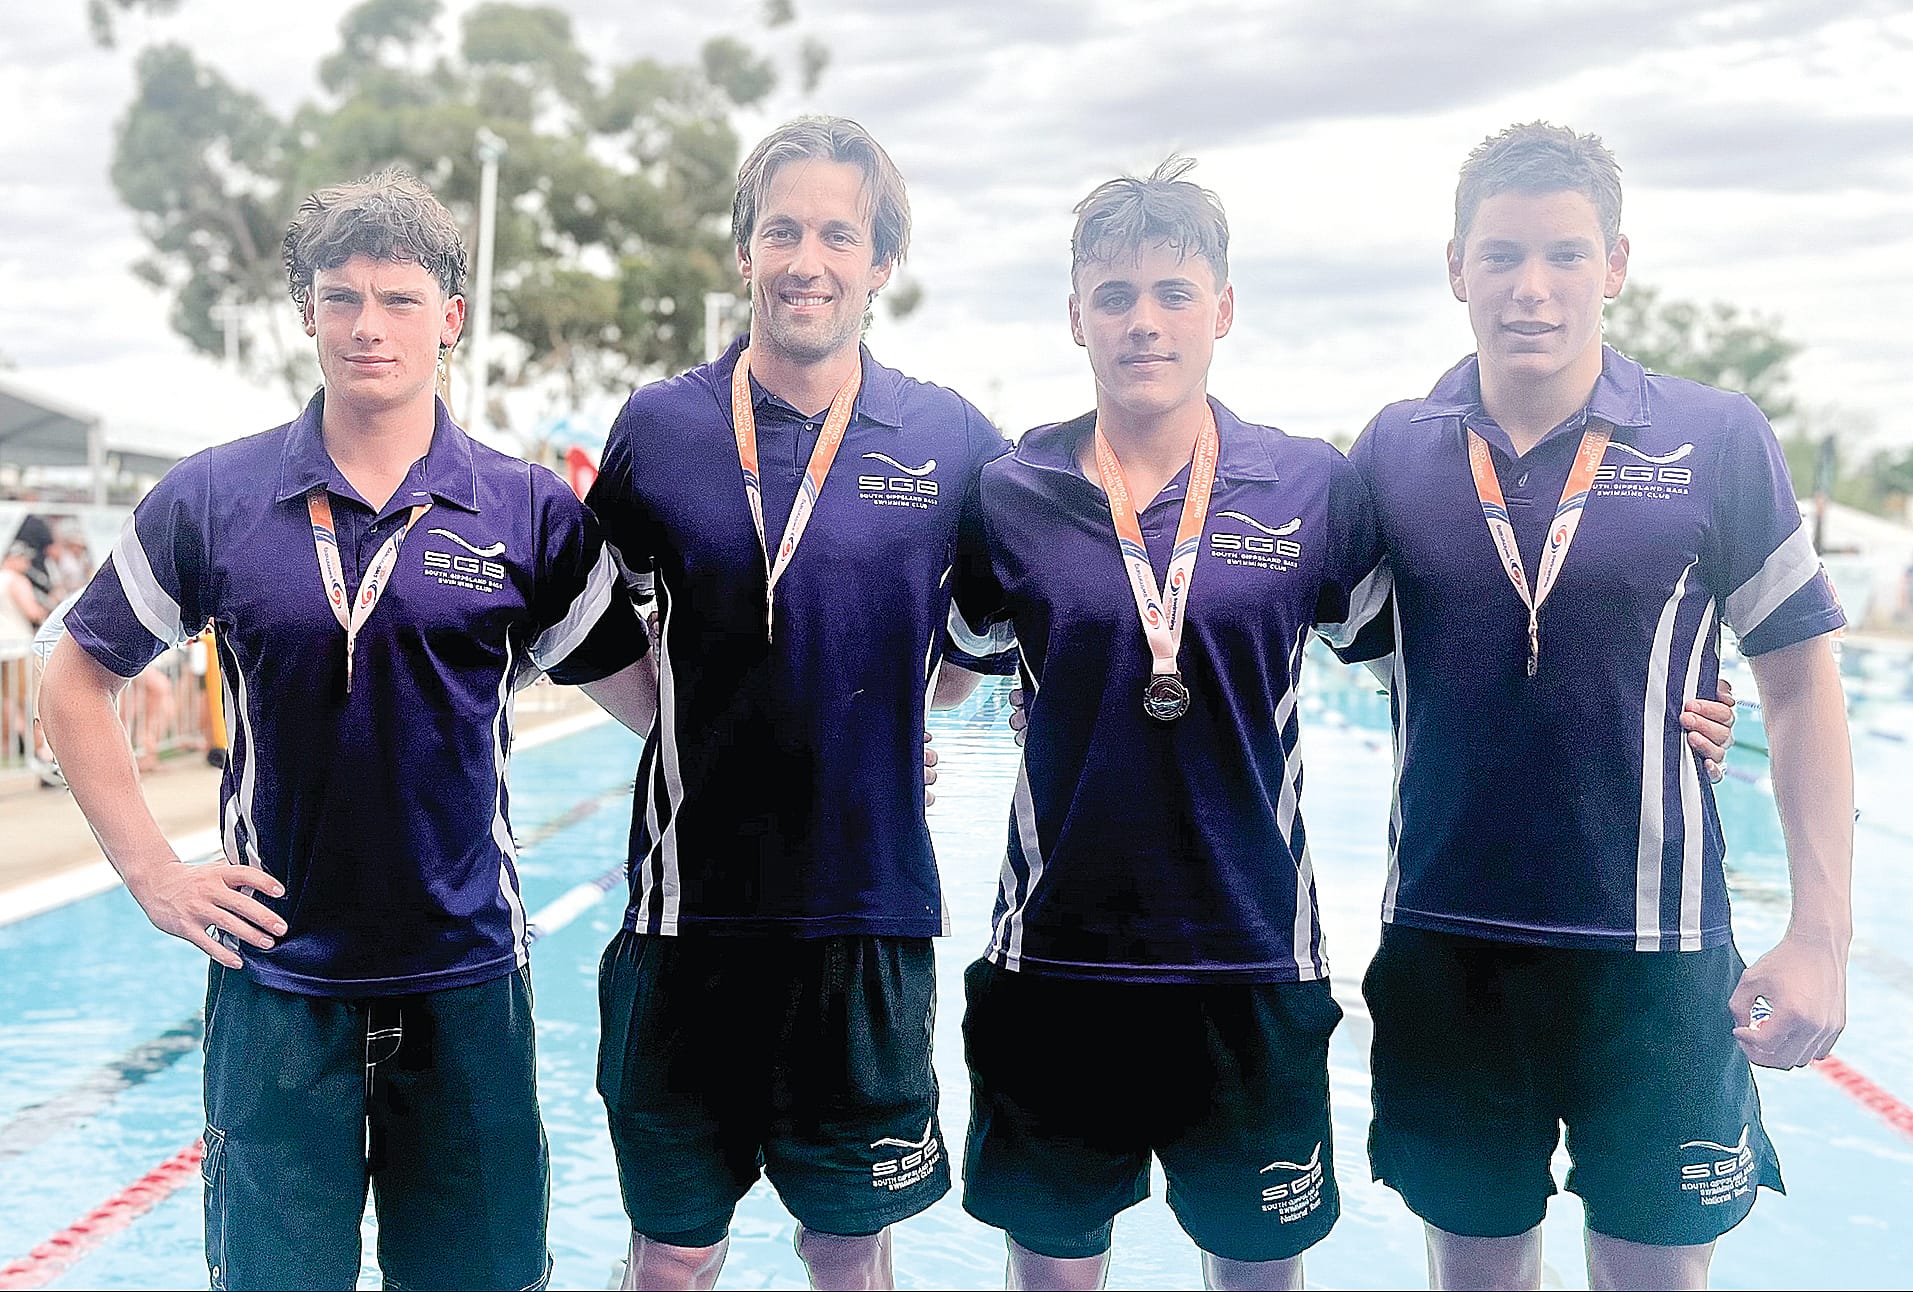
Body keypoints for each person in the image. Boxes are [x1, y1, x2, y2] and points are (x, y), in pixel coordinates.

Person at [39, 168, 652, 1292]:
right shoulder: (214, 498)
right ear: (307, 312)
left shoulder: (529, 512)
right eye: (341, 297)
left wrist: (829, 737)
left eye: (400, 299)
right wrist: (152, 874)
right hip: (278, 981)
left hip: (463, 973)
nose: (368, 326)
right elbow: (73, 681)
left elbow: (659, 710)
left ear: (451, 318)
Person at [1336, 122, 1852, 1289]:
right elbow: (1324, 634)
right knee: (1471, 1270)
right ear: (1453, 266)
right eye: (1502, 254)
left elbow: (1801, 678)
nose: (1532, 288)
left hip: (1657, 963)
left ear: (1614, 264)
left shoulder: (1713, 437)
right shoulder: (1394, 449)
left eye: (1565, 256)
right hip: (1447, 945)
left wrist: (1819, 932)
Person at [585, 115, 1011, 1291]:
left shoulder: (951, 437)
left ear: (880, 262)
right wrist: (675, 727)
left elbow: (986, 623)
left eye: (838, 233)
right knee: (671, 1253)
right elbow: (593, 629)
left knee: (846, 1247)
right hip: (686, 923)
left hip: (860, 921)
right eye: (781, 230)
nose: (805, 259)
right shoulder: (659, 428)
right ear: (744, 252)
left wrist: (904, 722)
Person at [942, 158, 1375, 1291]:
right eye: (1115, 295)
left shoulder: (1305, 486)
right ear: (1074, 315)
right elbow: (941, 658)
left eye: (1173, 293)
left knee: (1254, 1266)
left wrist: (1680, 707)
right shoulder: (1011, 492)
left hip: (1250, 956)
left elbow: (1422, 659)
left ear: (1221, 309)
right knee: (1049, 1266)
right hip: (1057, 955)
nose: (1144, 322)